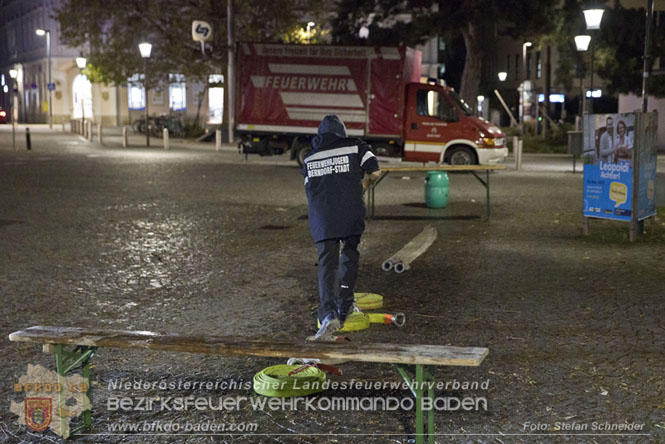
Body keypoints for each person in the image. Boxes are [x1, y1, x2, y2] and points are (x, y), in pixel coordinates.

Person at [301, 115, 381, 341]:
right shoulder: (356, 146)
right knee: (349, 255)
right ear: (342, 132)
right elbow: (375, 171)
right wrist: (363, 185)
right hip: (350, 211)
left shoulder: (309, 157)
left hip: (322, 216)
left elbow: (309, 189)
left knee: (327, 263)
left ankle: (328, 314)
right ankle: (344, 306)